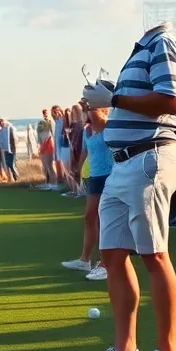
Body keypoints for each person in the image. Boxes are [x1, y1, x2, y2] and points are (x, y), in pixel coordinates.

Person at [76, 23, 176, 351]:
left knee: (154, 255)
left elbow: (170, 100)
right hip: (125, 164)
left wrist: (113, 100)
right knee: (112, 255)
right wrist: (113, 95)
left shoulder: (163, 42)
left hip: (150, 158)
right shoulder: (142, 48)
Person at [62, 83, 115, 281]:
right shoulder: (88, 130)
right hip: (94, 175)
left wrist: (93, 109)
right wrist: (77, 168)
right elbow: (86, 150)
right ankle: (85, 260)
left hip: (109, 176)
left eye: (91, 108)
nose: (88, 111)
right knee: (89, 216)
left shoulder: (108, 126)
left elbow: (101, 126)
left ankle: (105, 262)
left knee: (103, 219)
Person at [37, 109, 56, 186]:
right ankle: (48, 182)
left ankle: (53, 183)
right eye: (44, 113)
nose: (45, 114)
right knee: (45, 166)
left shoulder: (50, 122)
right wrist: (39, 145)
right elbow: (39, 135)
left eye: (46, 113)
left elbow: (53, 133)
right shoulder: (40, 123)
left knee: (49, 166)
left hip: (48, 143)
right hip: (43, 144)